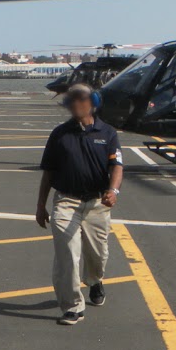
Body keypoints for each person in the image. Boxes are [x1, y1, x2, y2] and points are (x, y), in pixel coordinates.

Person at [36, 84, 123, 326]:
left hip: (96, 203)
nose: (75, 103)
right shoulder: (59, 134)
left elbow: (116, 166)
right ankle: (73, 306)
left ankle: (95, 280)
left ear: (93, 102)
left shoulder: (107, 133)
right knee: (67, 255)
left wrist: (113, 191)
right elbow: (48, 172)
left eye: (80, 99)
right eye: (71, 99)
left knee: (98, 255)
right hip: (66, 201)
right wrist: (40, 205)